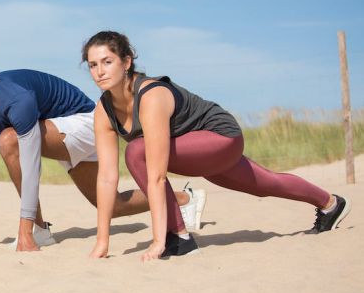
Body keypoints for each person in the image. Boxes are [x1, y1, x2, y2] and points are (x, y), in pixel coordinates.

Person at [84, 31, 352, 261]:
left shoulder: (151, 96)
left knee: (136, 151)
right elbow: (107, 178)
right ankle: (330, 203)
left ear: (126, 62)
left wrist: (158, 240)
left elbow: (156, 175)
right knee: (264, 183)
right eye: (93, 65)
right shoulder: (103, 111)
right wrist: (102, 242)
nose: (100, 71)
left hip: (220, 137)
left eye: (107, 62)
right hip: (195, 151)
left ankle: (178, 237)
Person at [0, 46, 202, 252]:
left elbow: (30, 162)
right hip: (57, 132)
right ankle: (184, 199)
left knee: (8, 140)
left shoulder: (14, 97)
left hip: (86, 122)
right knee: (110, 205)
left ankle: (37, 229)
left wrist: (25, 228)